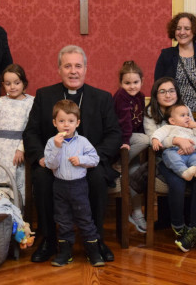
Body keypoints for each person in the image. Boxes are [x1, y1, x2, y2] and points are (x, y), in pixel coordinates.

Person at [24, 45, 121, 263]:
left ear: (86, 69)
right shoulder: (44, 95)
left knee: (96, 177)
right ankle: (49, 240)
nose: (73, 71)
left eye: (78, 66)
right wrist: (41, 156)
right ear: (59, 69)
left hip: (88, 163)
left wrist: (92, 159)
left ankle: (96, 241)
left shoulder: (102, 97)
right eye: (67, 66)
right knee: (40, 176)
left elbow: (114, 134)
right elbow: (31, 132)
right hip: (55, 163)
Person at [144, 77, 196, 253]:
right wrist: (177, 140)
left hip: (189, 154)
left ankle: (194, 229)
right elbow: (153, 139)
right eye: (162, 91)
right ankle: (178, 225)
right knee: (177, 181)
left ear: (177, 92)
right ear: (156, 95)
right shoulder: (150, 112)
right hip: (164, 158)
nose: (168, 94)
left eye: (171, 90)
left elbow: (194, 132)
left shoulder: (184, 109)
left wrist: (190, 145)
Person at [44, 99, 105, 267]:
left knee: (85, 218)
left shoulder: (83, 142)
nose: (66, 125)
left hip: (79, 186)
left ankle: (93, 251)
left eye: (70, 121)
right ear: (54, 123)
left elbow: (95, 159)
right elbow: (50, 165)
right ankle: (64, 253)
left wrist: (81, 160)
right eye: (61, 121)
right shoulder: (51, 142)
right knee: (63, 220)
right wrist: (57, 147)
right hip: (60, 186)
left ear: (77, 123)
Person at [0, 64, 34, 202]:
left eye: (17, 83)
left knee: (15, 186)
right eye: (8, 83)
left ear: (24, 82)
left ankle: (17, 216)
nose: (13, 87)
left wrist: (21, 148)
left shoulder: (31, 102)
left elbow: (31, 129)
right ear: (3, 85)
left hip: (17, 152)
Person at [154, 12, 196, 120]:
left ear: (194, 31)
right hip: (174, 117)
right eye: (178, 28)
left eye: (187, 28)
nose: (182, 32)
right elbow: (158, 87)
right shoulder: (166, 55)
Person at [112, 60, 149, 232]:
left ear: (142, 81)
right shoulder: (121, 97)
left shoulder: (140, 97)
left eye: (135, 82)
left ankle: (136, 212)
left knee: (135, 175)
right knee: (144, 140)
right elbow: (125, 123)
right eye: (127, 83)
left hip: (131, 139)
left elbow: (139, 121)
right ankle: (119, 162)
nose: (132, 86)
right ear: (120, 83)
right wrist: (126, 143)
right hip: (120, 138)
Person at [151, 104, 196, 183]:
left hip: (190, 153)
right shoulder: (169, 127)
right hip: (173, 150)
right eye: (183, 115)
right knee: (172, 157)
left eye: (188, 115)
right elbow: (160, 132)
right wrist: (155, 139)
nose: (187, 117)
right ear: (172, 121)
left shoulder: (190, 129)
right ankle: (184, 172)